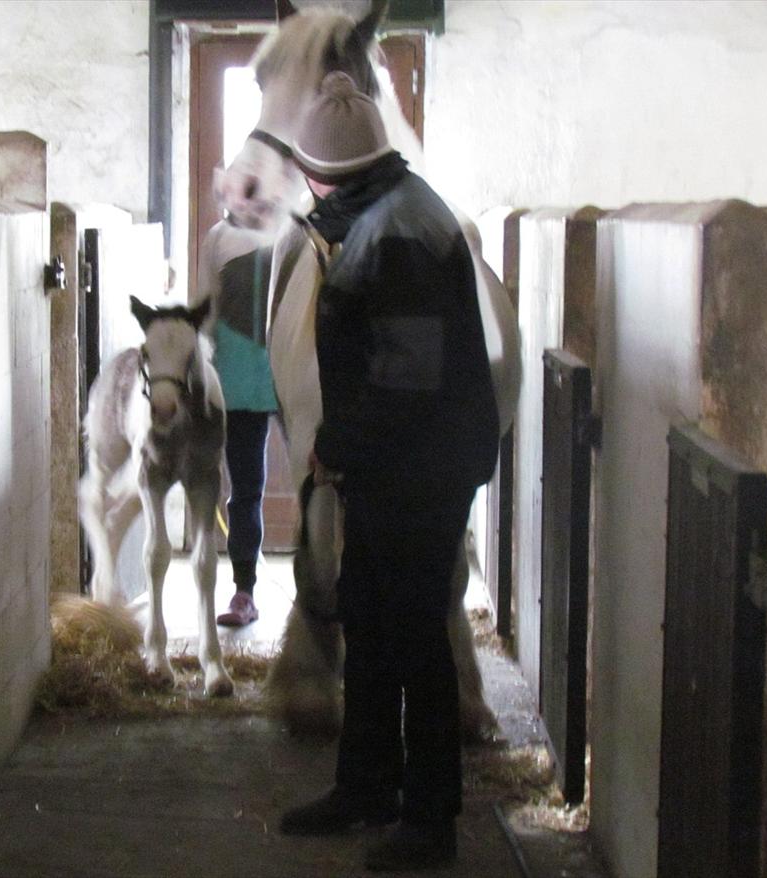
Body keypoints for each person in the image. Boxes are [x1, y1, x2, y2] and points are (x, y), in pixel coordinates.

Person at [276, 72, 500, 872]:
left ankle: (429, 818)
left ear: (322, 172)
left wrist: (339, 446)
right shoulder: (382, 213)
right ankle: (365, 785)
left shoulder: (397, 236)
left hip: (419, 471)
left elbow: (404, 378)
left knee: (413, 638)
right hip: (397, 464)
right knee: (370, 618)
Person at [196, 219, 278, 627]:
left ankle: (329, 597)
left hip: (296, 377)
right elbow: (204, 309)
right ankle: (244, 592)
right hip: (239, 378)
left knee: (325, 485)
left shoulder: (298, 228)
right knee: (246, 489)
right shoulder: (220, 237)